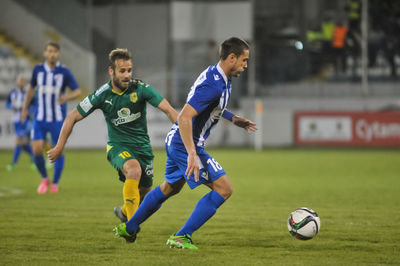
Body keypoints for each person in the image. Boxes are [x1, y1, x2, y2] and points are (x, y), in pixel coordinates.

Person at [114, 37, 257, 250]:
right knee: (224, 189)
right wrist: (192, 153)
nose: (246, 65)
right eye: (244, 60)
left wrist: (233, 119)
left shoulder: (220, 77)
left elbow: (211, 106)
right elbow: (184, 117)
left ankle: (130, 227)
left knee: (169, 188)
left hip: (178, 141)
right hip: (185, 144)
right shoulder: (214, 84)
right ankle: (182, 236)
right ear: (232, 58)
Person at [47, 48, 178, 223]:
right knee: (134, 169)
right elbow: (72, 117)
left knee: (145, 196)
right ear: (111, 71)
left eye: (129, 70)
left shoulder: (141, 89)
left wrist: (184, 135)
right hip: (118, 146)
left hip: (143, 148)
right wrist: (59, 146)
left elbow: (169, 110)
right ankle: (130, 226)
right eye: (122, 71)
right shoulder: (102, 94)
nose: (127, 75)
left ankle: (124, 213)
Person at [20, 41, 81, 194]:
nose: (52, 54)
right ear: (45, 53)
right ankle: (44, 178)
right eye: (49, 51)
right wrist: (24, 109)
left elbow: (77, 91)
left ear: (58, 54)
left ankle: (54, 183)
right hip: (40, 118)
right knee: (36, 149)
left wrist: (66, 97)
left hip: (57, 119)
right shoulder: (38, 70)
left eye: (54, 51)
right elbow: (31, 90)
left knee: (58, 150)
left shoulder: (64, 72)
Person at [5, 74, 35, 171]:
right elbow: (7, 104)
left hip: (25, 120)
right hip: (16, 120)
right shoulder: (13, 93)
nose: (21, 82)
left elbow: (34, 106)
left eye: (23, 80)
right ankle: (35, 160)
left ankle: (14, 164)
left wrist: (28, 112)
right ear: (17, 82)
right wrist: (12, 107)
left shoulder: (28, 93)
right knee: (23, 144)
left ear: (24, 82)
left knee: (18, 142)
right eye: (19, 80)